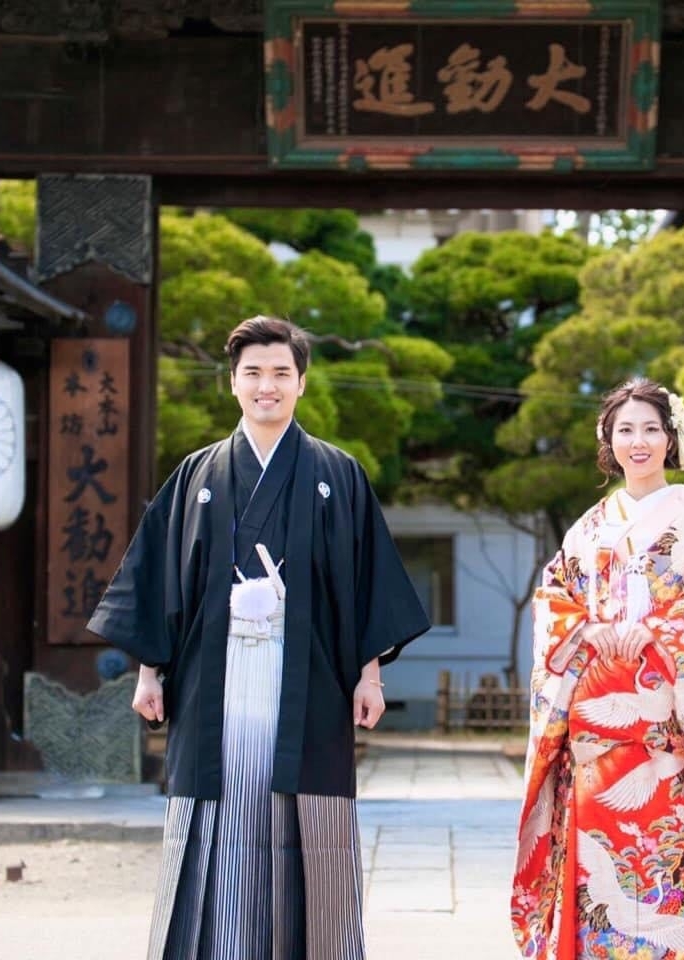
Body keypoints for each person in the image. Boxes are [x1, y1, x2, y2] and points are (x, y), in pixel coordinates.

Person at [87, 315, 430, 960]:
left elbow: (366, 580)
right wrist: (148, 671)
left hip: (309, 678)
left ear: (301, 383)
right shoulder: (196, 474)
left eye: (280, 374)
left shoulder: (339, 473)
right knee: (218, 819)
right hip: (213, 679)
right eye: (253, 374)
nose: (266, 386)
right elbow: (159, 575)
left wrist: (370, 673)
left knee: (309, 825)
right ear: (233, 384)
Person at [512, 378, 684, 960]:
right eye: (625, 430)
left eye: (652, 429)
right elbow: (554, 601)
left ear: (671, 437)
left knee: (675, 857)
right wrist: (596, 631)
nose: (639, 441)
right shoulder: (590, 526)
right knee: (598, 872)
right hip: (599, 736)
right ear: (608, 440)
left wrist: (655, 633)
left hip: (673, 730)